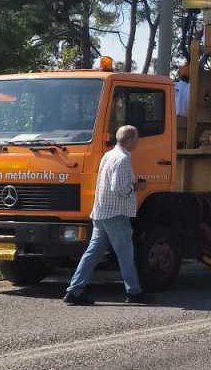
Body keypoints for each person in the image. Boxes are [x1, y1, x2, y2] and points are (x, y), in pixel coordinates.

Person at [63, 125, 149, 305]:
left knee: (92, 253)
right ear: (130, 139)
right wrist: (136, 186)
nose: (138, 142)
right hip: (116, 214)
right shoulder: (123, 159)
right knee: (125, 254)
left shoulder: (108, 155)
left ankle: (74, 290)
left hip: (101, 212)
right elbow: (119, 188)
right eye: (137, 138)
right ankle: (134, 292)